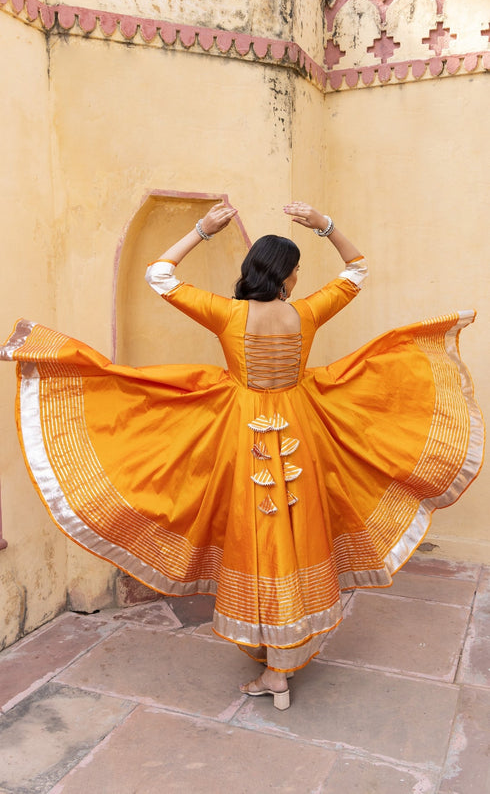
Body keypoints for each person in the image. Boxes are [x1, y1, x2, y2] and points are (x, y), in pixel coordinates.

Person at [0, 201, 484, 712]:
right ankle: (283, 659)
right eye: (296, 271)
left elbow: (159, 275)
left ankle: (264, 651)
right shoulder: (307, 311)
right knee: (296, 532)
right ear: (289, 277)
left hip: (239, 433)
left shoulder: (227, 314)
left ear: (253, 272)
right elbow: (357, 271)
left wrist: (201, 231)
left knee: (253, 535)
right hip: (301, 429)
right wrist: (325, 226)